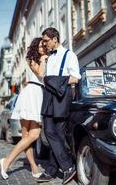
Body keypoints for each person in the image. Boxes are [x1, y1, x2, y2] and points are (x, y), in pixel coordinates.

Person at [0, 37, 48, 181]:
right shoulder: (32, 59)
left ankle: (33, 167)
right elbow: (40, 74)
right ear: (35, 47)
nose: (42, 48)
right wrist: (44, 59)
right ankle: (7, 162)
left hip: (38, 94)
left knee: (27, 138)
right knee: (33, 136)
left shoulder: (43, 58)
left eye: (44, 46)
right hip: (31, 94)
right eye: (40, 46)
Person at [37, 27, 81, 184]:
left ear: (55, 39)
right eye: (43, 41)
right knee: (49, 132)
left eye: (46, 41)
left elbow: (75, 78)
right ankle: (66, 166)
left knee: (59, 135)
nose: (45, 44)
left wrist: (57, 82)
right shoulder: (49, 58)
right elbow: (43, 77)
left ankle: (54, 170)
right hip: (49, 97)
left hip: (62, 97)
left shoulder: (70, 55)